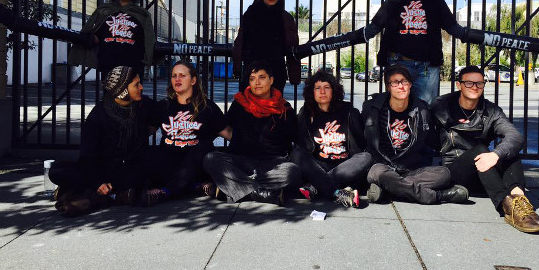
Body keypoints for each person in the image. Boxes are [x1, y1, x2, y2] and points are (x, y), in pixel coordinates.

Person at [431, 65, 539, 233]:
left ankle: (520, 201)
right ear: (459, 85)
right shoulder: (442, 105)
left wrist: (496, 155)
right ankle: (506, 207)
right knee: (481, 149)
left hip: (485, 175)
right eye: (469, 83)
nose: (475, 87)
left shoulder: (491, 111)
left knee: (507, 151)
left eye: (479, 83)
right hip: (456, 173)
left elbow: (515, 137)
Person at [50, 66, 155, 216]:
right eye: (136, 84)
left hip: (127, 169)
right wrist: (98, 182)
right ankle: (114, 196)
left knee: (148, 167)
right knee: (57, 171)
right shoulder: (98, 116)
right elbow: (87, 156)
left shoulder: (143, 104)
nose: (141, 87)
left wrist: (154, 125)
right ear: (123, 89)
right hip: (100, 169)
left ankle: (89, 198)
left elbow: (161, 111)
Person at [364, 0, 467, 104]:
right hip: (398, 62)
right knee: (397, 105)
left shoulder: (435, 1)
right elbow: (375, 26)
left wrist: (476, 36)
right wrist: (351, 38)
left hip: (427, 66)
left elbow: (452, 27)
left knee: (425, 108)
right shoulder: (393, 0)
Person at [362, 65, 468, 205]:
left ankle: (388, 189)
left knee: (444, 174)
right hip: (381, 166)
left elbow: (432, 140)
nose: (400, 86)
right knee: (380, 173)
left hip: (409, 170)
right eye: (395, 82)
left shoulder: (422, 110)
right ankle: (437, 196)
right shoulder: (372, 108)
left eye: (404, 81)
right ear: (388, 86)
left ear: (410, 84)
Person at [203, 61, 302, 205]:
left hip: (272, 164)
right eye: (252, 78)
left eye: (261, 77)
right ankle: (260, 193)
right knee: (211, 158)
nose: (257, 82)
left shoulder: (284, 108)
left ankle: (237, 189)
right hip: (242, 161)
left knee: (292, 171)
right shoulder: (240, 104)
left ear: (271, 80)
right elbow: (225, 127)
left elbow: (294, 137)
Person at [142, 61, 231, 205]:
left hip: (197, 164)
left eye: (182, 75)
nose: (177, 79)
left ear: (193, 80)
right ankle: (194, 187)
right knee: (150, 154)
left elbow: (229, 134)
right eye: (174, 76)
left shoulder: (207, 107)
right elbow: (146, 132)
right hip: (170, 164)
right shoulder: (164, 106)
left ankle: (167, 192)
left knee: (203, 146)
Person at [292, 71, 372, 208]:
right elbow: (302, 144)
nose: (322, 91)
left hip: (344, 166)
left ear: (334, 90)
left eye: (327, 87)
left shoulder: (348, 111)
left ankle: (316, 186)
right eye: (318, 88)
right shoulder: (306, 113)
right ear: (312, 92)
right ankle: (337, 193)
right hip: (318, 165)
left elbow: (359, 145)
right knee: (296, 154)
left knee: (365, 157)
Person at [68, 0, 155, 79]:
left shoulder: (142, 14)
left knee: (131, 95)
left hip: (133, 66)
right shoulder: (104, 11)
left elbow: (149, 40)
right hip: (108, 64)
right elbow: (94, 34)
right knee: (109, 95)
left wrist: (145, 62)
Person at [232, 0, 301, 94]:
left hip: (276, 70)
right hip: (253, 70)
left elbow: (292, 47)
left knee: (274, 106)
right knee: (249, 106)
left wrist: (294, 76)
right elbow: (240, 41)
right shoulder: (250, 14)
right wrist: (238, 69)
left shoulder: (286, 18)